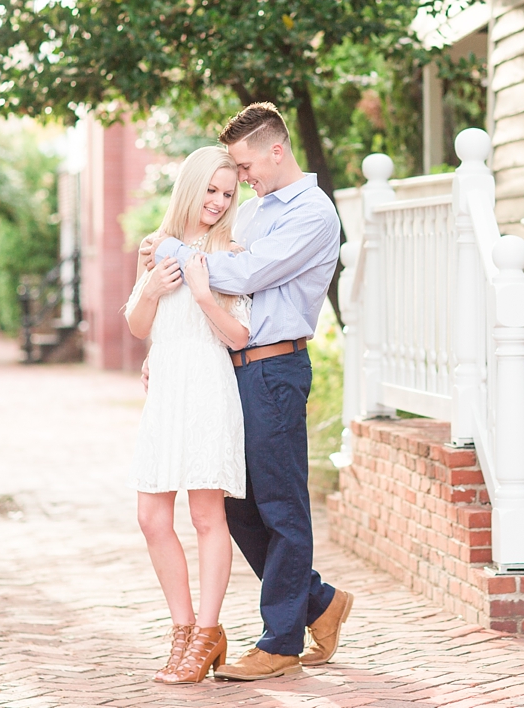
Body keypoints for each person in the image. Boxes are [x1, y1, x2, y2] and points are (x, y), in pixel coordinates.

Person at [141, 102, 353, 682]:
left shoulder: (312, 213)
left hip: (275, 368)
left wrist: (167, 249)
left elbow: (242, 276)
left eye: (245, 163)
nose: (242, 177)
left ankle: (280, 641)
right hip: (229, 368)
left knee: (281, 505)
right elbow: (210, 274)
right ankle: (318, 602)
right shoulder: (256, 212)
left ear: (275, 150)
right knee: (237, 507)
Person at [125, 146, 251, 684]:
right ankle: (180, 632)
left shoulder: (233, 252)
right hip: (166, 390)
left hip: (207, 387)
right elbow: (136, 325)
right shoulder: (155, 247)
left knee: (205, 517)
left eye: (228, 194)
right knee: (151, 516)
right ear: (190, 188)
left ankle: (206, 633)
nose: (219, 202)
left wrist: (203, 295)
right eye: (211, 191)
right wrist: (151, 287)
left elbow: (240, 335)